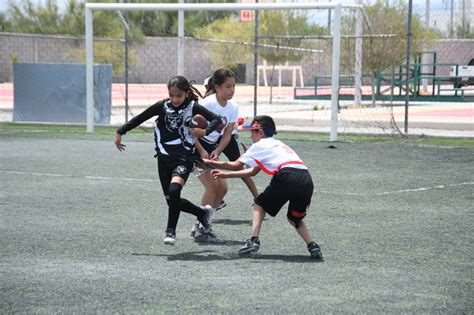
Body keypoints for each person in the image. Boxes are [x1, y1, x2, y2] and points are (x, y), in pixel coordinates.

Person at [114, 75, 224, 246]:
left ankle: (170, 231)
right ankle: (202, 214)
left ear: (186, 93)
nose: (175, 99)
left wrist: (204, 132)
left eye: (178, 96)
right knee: (170, 200)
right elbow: (140, 118)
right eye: (172, 95)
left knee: (174, 192)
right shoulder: (162, 106)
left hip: (184, 157)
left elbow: (217, 120)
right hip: (164, 158)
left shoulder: (193, 107)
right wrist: (121, 131)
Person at [204, 115, 323, 259]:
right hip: (306, 179)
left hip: (286, 175)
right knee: (295, 219)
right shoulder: (279, 144)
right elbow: (253, 172)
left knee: (259, 204)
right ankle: (313, 246)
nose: (251, 136)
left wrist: (208, 162)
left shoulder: (259, 145)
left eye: (252, 132)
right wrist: (225, 175)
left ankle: (253, 241)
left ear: (260, 132)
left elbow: (236, 165)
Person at [190, 69, 259, 238]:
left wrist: (217, 151)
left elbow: (227, 134)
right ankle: (200, 227)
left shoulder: (233, 107)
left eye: (234, 86)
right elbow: (190, 131)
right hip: (194, 148)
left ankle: (203, 225)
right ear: (218, 87)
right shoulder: (207, 104)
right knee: (213, 186)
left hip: (211, 149)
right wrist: (202, 150)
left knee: (223, 188)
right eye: (228, 86)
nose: (232, 90)